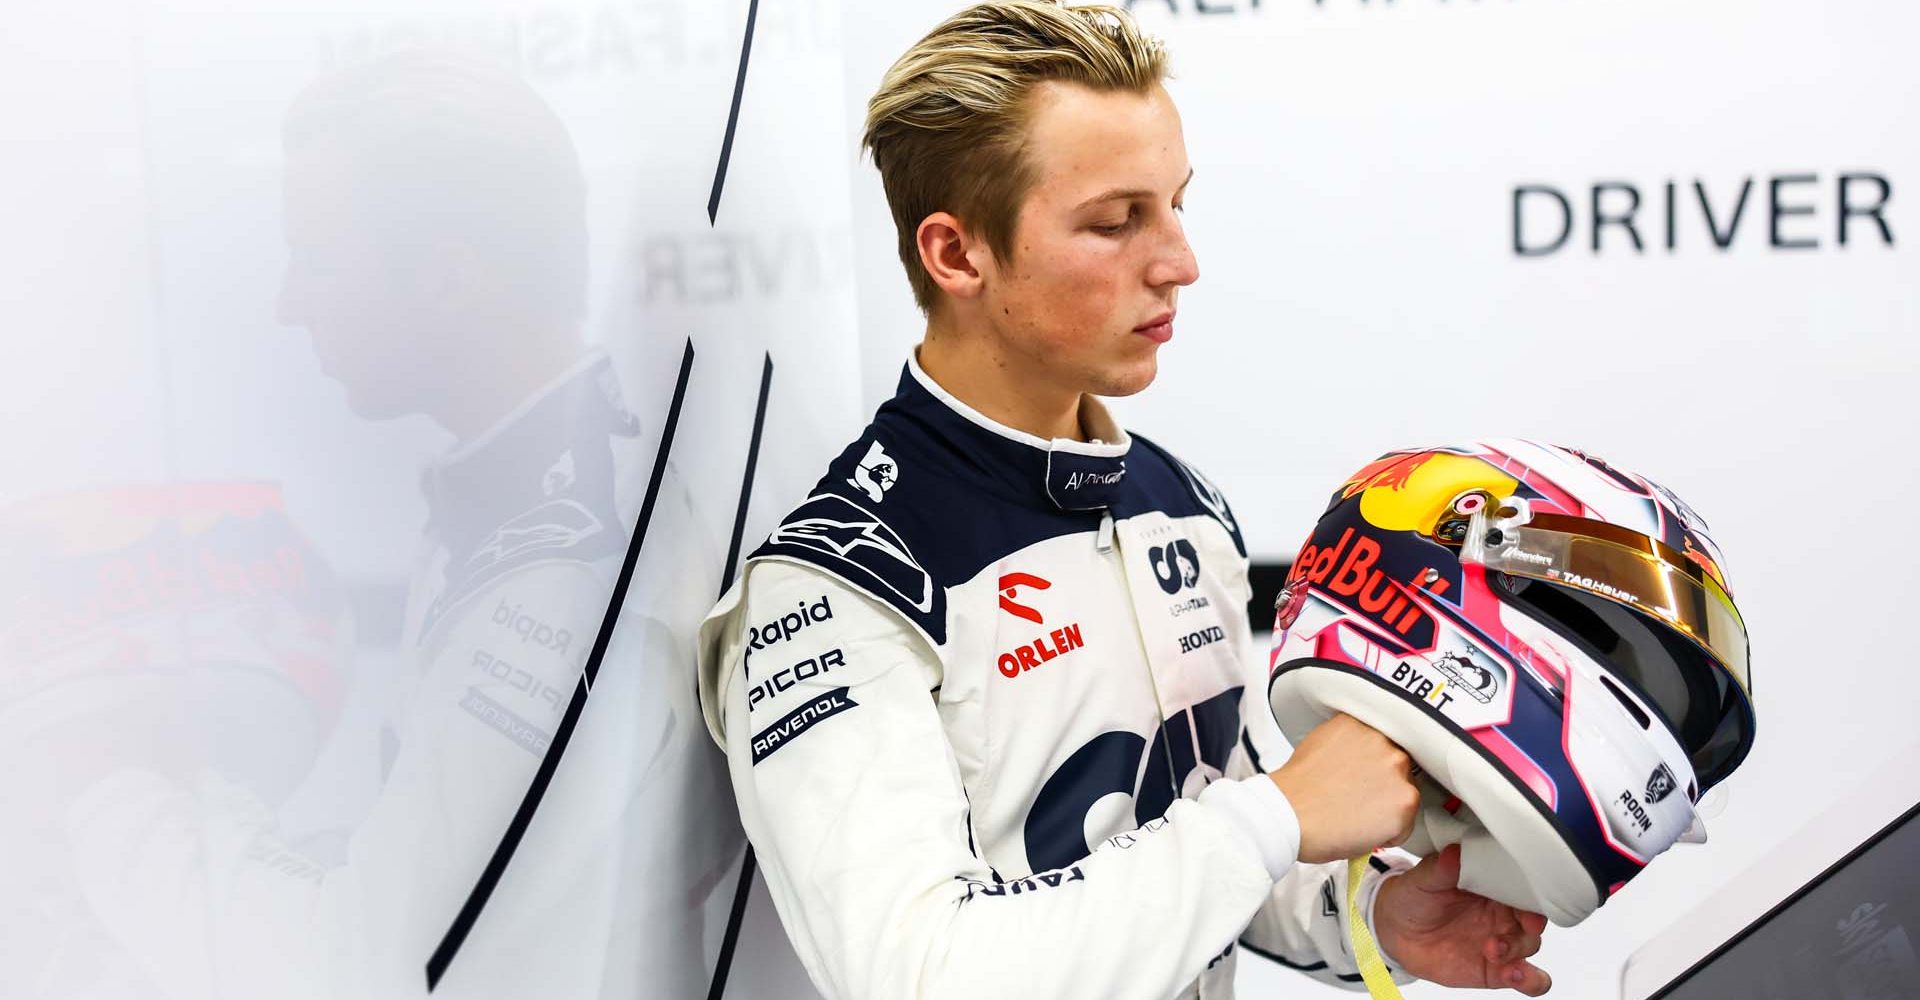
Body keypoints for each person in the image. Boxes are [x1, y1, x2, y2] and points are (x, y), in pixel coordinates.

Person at [695, 3, 1552, 997]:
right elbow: (921, 972)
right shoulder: (837, 589)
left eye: (1178, 203)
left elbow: (1203, 844)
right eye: (1115, 221)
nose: (1180, 261)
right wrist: (1272, 813)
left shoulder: (1177, 502)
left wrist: (1369, 916)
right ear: (956, 255)